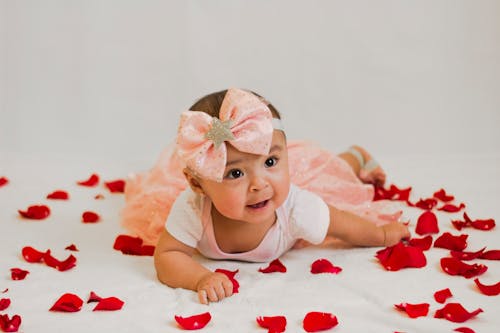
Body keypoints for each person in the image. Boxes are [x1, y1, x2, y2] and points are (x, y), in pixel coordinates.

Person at [121, 88, 410, 304]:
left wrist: (381, 235)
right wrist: (200, 278)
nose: (259, 184)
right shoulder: (193, 208)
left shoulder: (297, 207)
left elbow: (341, 224)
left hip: (301, 192)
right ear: (199, 186)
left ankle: (355, 157)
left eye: (270, 162)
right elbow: (168, 255)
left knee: (330, 171)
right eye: (235, 174)